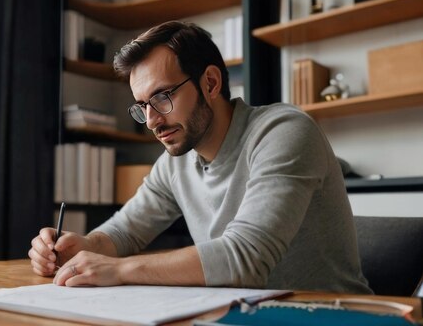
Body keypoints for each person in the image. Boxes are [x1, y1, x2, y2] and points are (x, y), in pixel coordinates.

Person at [29, 21, 371, 294]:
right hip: (240, 313)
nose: (151, 121)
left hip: (333, 316)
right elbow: (125, 232)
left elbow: (245, 259)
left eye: (162, 97)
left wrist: (119, 269)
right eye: (143, 106)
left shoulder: (283, 132)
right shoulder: (175, 162)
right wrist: (83, 246)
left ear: (210, 82)